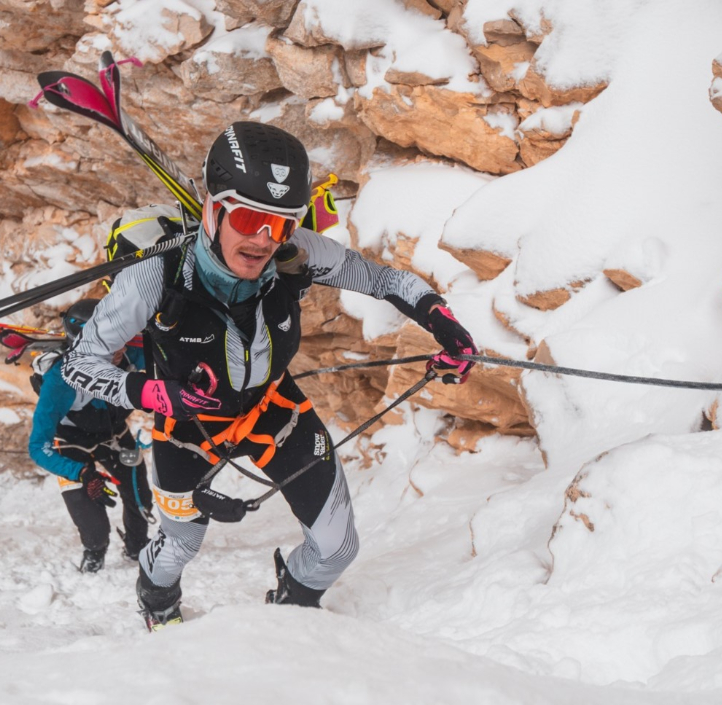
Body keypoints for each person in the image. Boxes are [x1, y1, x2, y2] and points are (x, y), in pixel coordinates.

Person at [62, 121, 478, 629]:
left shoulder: (294, 254)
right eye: (249, 217)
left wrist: (444, 323)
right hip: (187, 428)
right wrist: (148, 391)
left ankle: (290, 615)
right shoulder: (156, 275)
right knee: (178, 547)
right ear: (213, 209)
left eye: (280, 223)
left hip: (273, 410)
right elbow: (79, 364)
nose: (264, 239)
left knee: (336, 547)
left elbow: (383, 279)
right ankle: (158, 602)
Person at [29, 299, 154, 573]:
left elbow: (168, 355)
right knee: (92, 521)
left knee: (140, 495)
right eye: (110, 342)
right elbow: (38, 446)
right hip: (71, 444)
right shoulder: (61, 381)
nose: (119, 348)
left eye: (121, 336)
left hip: (114, 435)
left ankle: (137, 546)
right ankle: (94, 552)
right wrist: (80, 472)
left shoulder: (130, 354)